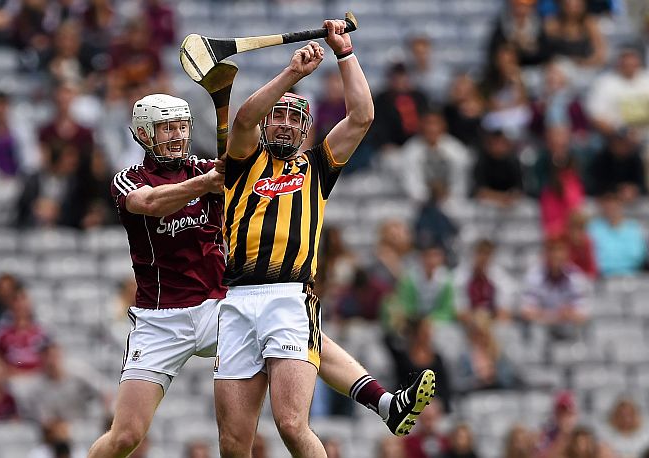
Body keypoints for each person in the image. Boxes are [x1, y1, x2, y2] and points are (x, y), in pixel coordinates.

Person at [90, 80, 431, 458]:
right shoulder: (131, 178)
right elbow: (149, 204)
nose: (177, 135)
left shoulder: (208, 167)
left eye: (182, 127)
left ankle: (382, 401)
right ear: (142, 133)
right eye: (166, 128)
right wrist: (204, 184)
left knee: (300, 333)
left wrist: (224, 177)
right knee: (125, 436)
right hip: (159, 319)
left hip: (218, 306)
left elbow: (246, 155)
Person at [214, 22, 433, 458]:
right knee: (233, 442)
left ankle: (383, 403)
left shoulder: (317, 166)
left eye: (292, 119)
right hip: (236, 300)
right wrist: (291, 75)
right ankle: (385, 402)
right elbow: (243, 117)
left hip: (289, 298)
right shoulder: (241, 162)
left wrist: (345, 53)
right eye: (276, 116)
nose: (281, 125)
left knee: (292, 424)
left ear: (305, 131)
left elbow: (363, 116)